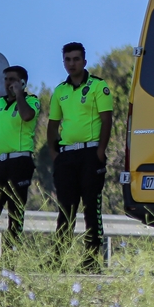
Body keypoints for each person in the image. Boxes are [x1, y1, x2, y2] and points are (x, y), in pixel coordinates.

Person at [47, 43, 112, 269]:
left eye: (76, 59)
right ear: (63, 62)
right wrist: (55, 153)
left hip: (90, 154)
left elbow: (106, 120)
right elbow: (53, 124)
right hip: (66, 156)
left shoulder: (98, 86)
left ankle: (92, 259)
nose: (72, 63)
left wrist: (101, 151)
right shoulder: (60, 91)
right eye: (67, 59)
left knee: (91, 208)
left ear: (84, 61)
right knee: (66, 209)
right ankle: (58, 259)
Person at [0, 65, 40, 246]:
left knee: (15, 211)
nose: (8, 83)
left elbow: (27, 116)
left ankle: (11, 255)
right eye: (6, 79)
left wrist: (19, 95)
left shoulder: (31, 100)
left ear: (22, 82)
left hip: (19, 162)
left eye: (12, 79)